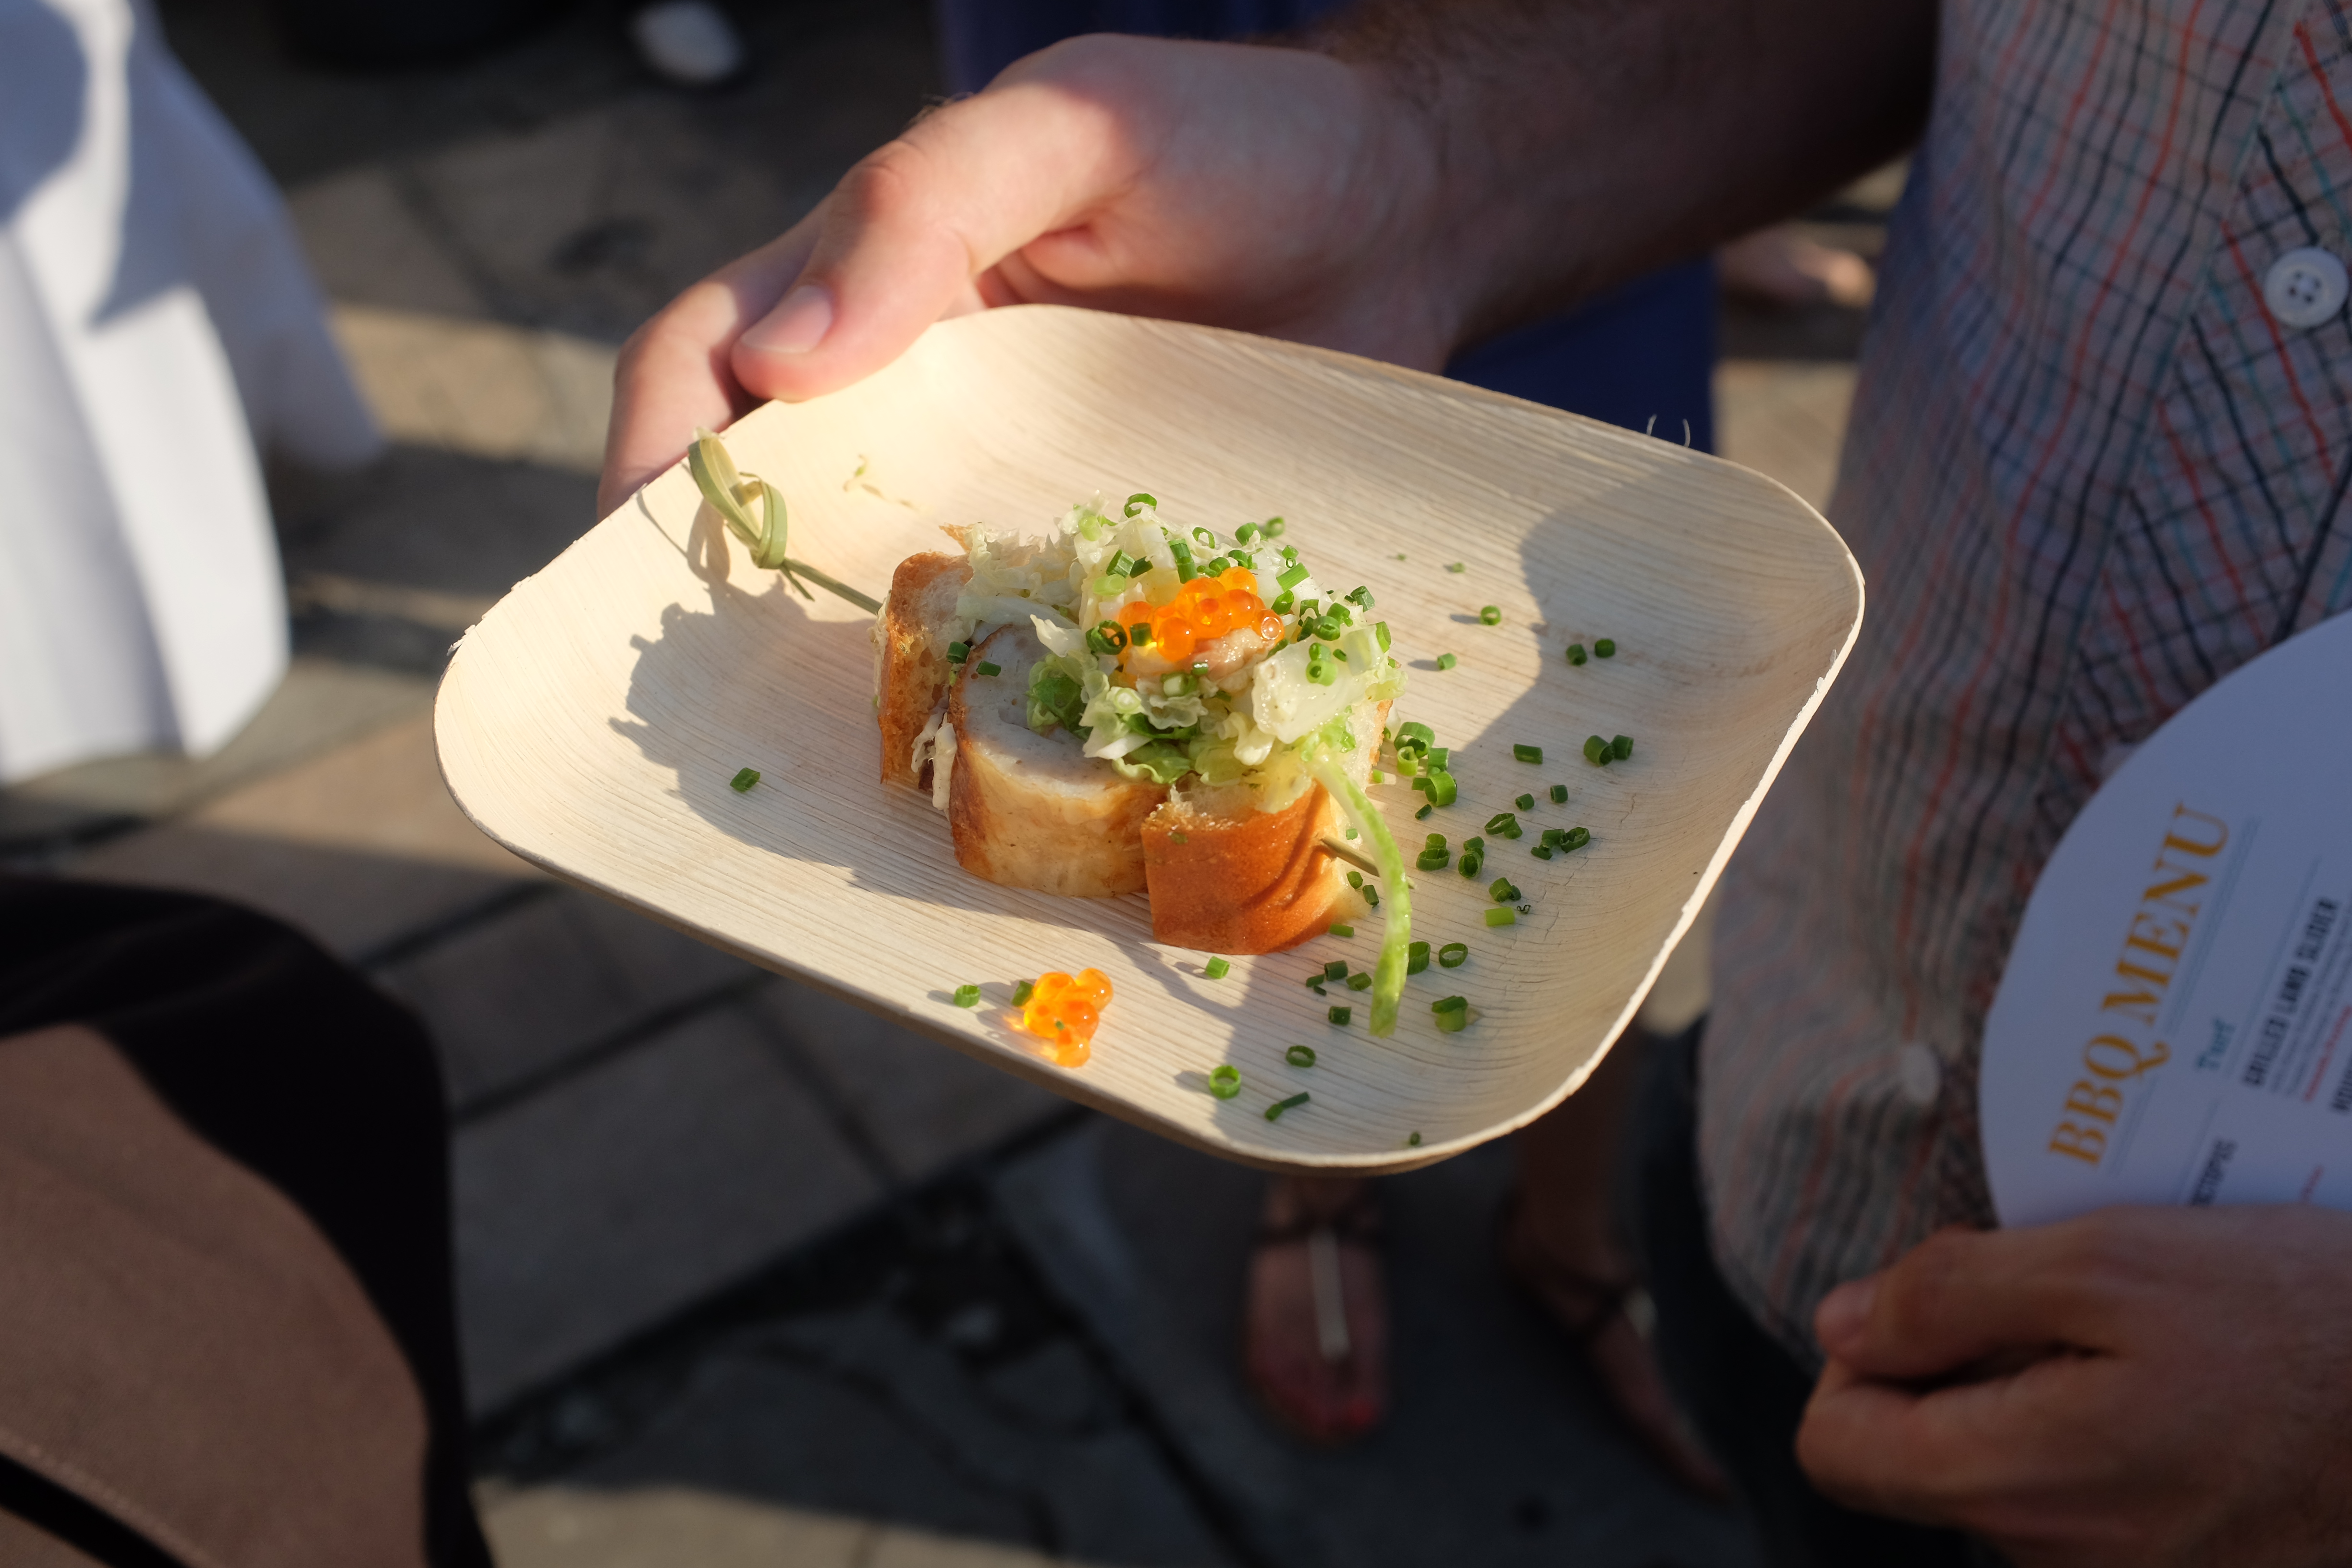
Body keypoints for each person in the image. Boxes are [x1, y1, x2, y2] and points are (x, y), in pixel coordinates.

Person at [600, 2, 2352, 1562]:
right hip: (1806, 1064)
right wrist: (1416, 160)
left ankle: (1564, 1244)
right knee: (1483, 969)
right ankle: (1412, 1207)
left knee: (1529, 900)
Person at [927, 0, 1724, 1470]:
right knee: (1180, 464)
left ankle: (1571, 1228)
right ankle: (1318, 1178)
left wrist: (1410, 155)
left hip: (1555, 93)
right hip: (1137, 64)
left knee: (1608, 769)